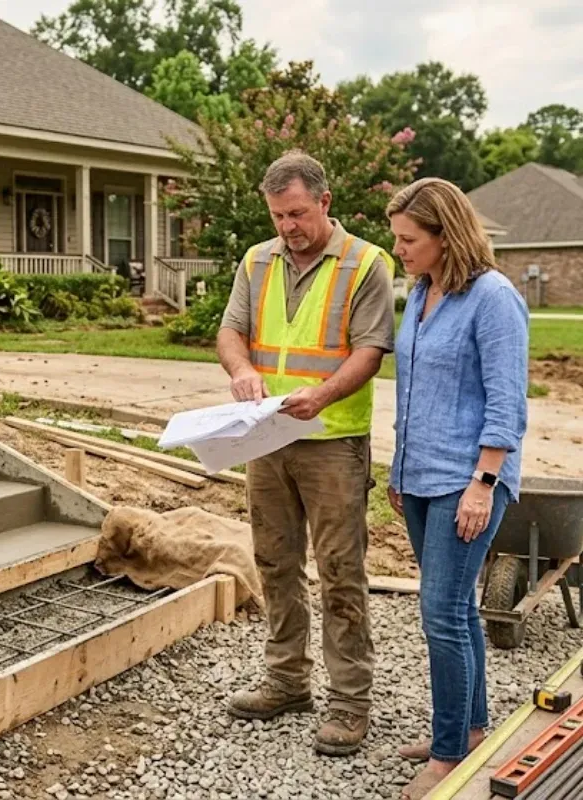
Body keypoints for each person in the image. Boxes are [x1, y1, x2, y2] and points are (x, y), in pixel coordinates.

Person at [218, 150, 395, 756]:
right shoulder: (256, 260)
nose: (287, 227)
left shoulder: (367, 263)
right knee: (274, 562)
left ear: (324, 201)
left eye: (296, 213)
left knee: (342, 571)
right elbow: (230, 331)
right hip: (267, 440)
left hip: (333, 443)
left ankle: (350, 701)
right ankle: (287, 681)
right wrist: (242, 372)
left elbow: (369, 351)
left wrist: (321, 395)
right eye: (276, 216)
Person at [385, 178, 528, 799]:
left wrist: (483, 483)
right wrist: (397, 469)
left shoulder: (493, 298)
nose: (399, 249)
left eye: (409, 239)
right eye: (396, 238)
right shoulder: (421, 293)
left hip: (468, 480)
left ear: (447, 235)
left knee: (439, 614)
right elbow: (413, 392)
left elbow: (506, 400)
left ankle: (448, 756)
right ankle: (470, 731)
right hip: (419, 475)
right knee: (456, 609)